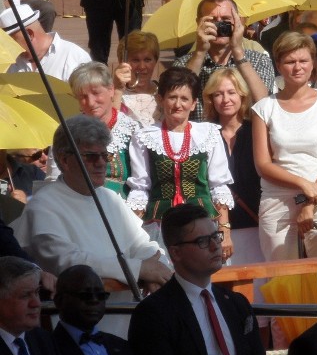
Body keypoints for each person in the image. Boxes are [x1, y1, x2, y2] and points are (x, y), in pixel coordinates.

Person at [127, 204, 278, 355]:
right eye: (201, 241)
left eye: (216, 236)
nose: (215, 245)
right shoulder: (155, 314)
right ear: (175, 253)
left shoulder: (236, 304)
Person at [11, 115, 171, 295]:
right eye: (91, 156)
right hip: (82, 315)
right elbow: (68, 262)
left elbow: (142, 244)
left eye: (105, 155)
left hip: (129, 313)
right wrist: (138, 269)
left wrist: (156, 271)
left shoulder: (110, 198)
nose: (102, 163)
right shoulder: (42, 206)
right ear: (64, 160)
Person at [252, 32, 317, 260]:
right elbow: (263, 165)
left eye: (303, 61)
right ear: (278, 65)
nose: (297, 67)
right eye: (290, 61)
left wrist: (310, 203)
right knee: (281, 281)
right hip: (277, 201)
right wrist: (303, 184)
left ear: (312, 63)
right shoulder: (263, 108)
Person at [126, 67, 235, 258]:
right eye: (172, 97)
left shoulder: (208, 134)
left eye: (184, 99)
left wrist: (225, 231)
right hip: (160, 224)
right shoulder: (144, 136)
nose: (178, 104)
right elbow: (140, 187)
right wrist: (133, 236)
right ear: (160, 100)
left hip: (203, 221)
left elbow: (218, 186)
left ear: (194, 104)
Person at [172, 0, 275, 121]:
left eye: (226, 20)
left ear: (238, 21)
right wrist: (199, 52)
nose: (219, 26)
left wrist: (237, 51)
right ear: (199, 23)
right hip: (200, 137)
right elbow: (178, 99)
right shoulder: (183, 64)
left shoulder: (259, 60)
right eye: (212, 20)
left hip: (244, 138)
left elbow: (264, 102)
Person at [202, 68, 263, 274]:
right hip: (215, 228)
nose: (225, 99)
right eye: (218, 94)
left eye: (231, 92)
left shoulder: (257, 130)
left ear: (242, 95)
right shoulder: (204, 134)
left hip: (255, 224)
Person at [62, 61, 139, 197]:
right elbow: (55, 177)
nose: (91, 102)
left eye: (96, 93)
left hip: (122, 208)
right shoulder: (68, 132)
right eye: (83, 97)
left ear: (111, 90)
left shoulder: (132, 129)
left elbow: (142, 181)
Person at [2, 3, 90, 81]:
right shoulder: (9, 63)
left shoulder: (75, 57)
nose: (10, 47)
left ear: (29, 34)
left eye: (13, 42)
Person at [113, 31, 161, 126]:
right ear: (122, 62)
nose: (142, 66)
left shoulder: (163, 92)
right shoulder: (114, 94)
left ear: (155, 61)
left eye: (147, 60)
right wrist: (117, 90)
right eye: (135, 60)